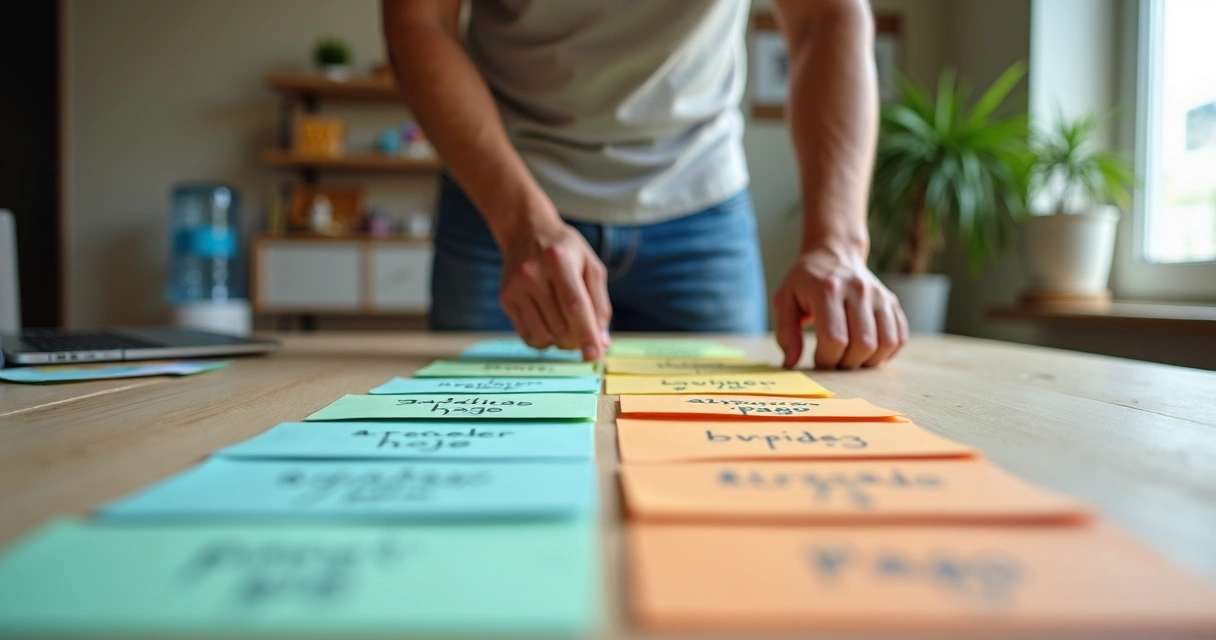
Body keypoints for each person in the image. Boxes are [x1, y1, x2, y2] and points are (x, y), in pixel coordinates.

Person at [382, 0, 908, 368]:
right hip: (501, 200)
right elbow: (419, 20)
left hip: (700, 202)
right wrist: (520, 221)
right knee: (477, 450)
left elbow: (827, 15)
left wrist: (837, 240)